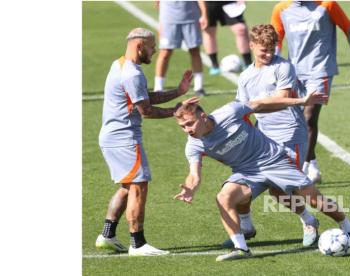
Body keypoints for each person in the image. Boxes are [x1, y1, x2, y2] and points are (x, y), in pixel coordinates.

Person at [173, 94, 350, 261]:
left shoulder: (230, 112)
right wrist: (190, 188)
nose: (187, 130)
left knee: (314, 200)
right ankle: (241, 248)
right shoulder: (194, 144)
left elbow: (260, 104)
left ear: (203, 117)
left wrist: (300, 101)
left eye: (189, 124)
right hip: (246, 172)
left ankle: (349, 227)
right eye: (182, 127)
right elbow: (194, 174)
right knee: (224, 197)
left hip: (274, 160)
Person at [96, 28, 194, 256]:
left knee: (127, 186)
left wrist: (178, 91)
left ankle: (107, 235)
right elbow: (147, 111)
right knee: (139, 186)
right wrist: (177, 110)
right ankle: (137, 244)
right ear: (140, 46)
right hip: (124, 139)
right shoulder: (132, 73)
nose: (155, 50)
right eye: (151, 46)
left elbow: (144, 97)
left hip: (111, 137)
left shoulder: (119, 64)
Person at [226, 23, 316, 248]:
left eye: (272, 49)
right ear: (252, 45)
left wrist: (253, 106)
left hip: (290, 134)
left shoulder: (283, 67)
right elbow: (242, 110)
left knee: (279, 189)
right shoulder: (245, 76)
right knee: (239, 187)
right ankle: (246, 227)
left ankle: (309, 220)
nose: (268, 54)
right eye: (263, 50)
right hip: (263, 139)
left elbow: (281, 99)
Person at [271, 1, 350, 183]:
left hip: (321, 70)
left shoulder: (327, 5)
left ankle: (302, 170)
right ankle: (312, 163)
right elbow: (276, 40)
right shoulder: (281, 9)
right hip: (294, 72)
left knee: (309, 118)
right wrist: (272, 70)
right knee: (296, 122)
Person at [154, 1, 208, 97]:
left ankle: (199, 87)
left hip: (191, 17)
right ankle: (158, 87)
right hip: (169, 18)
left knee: (194, 50)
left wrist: (204, 14)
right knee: (165, 52)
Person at [203, 1, 252, 75]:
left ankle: (248, 63)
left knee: (241, 29)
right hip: (209, 3)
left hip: (229, 2)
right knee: (209, 31)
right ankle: (215, 65)